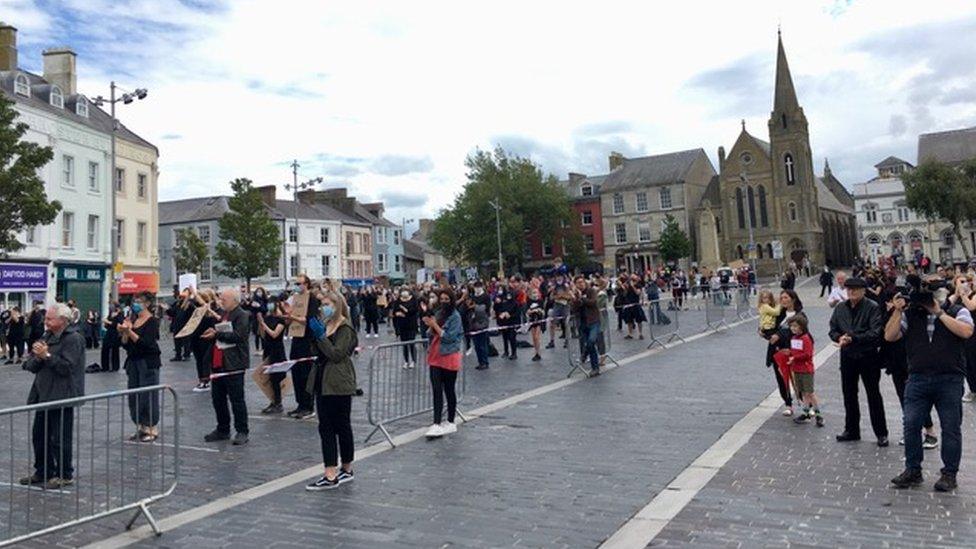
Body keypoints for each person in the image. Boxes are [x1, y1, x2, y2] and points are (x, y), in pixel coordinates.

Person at [887, 275, 973, 491]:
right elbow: (890, 336)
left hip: (949, 379)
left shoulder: (957, 311)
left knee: (951, 427)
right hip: (918, 378)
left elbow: (966, 331)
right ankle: (913, 470)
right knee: (911, 424)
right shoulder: (911, 314)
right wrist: (898, 310)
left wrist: (939, 313)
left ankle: (949, 474)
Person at [19, 303, 85, 489]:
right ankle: (43, 470)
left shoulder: (73, 339)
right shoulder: (47, 336)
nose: (45, 322)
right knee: (39, 435)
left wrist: (46, 356)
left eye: (49, 319)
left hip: (62, 394)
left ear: (63, 320)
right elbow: (31, 365)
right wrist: (37, 357)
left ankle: (64, 474)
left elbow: (67, 367)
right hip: (43, 393)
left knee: (60, 437)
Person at [304, 290, 359, 491]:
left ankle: (338, 470)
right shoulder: (326, 325)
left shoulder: (345, 328)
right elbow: (317, 351)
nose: (323, 308)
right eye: (322, 304)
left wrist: (321, 338)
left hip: (338, 382)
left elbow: (336, 354)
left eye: (327, 304)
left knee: (340, 425)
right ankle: (334, 469)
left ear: (337, 305)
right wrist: (315, 337)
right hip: (322, 380)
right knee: (326, 426)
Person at [829, 277, 888, 446]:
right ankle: (852, 430)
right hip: (847, 355)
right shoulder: (840, 308)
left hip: (867, 355)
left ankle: (881, 433)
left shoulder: (872, 307)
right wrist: (839, 337)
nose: (851, 292)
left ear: (863, 291)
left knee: (873, 394)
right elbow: (833, 328)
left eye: (855, 289)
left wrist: (853, 338)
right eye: (849, 289)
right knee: (849, 393)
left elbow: (875, 332)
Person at [202, 288, 251, 445]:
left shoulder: (241, 315)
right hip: (219, 362)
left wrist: (217, 334)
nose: (221, 301)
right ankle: (223, 429)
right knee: (218, 399)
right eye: (220, 299)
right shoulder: (223, 314)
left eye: (224, 299)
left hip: (234, 364)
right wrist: (213, 332)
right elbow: (221, 331)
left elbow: (238, 336)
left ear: (234, 301)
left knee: (237, 400)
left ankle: (242, 430)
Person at [119, 291, 162, 443]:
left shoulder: (152, 322)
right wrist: (124, 332)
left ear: (147, 304)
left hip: (148, 362)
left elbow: (147, 343)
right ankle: (141, 426)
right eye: (135, 301)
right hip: (133, 361)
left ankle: (151, 426)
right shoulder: (133, 319)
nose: (135, 304)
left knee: (148, 395)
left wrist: (129, 332)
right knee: (134, 395)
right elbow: (125, 344)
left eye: (139, 301)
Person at [423, 288, 464, 438]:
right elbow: (431, 332)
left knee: (449, 389)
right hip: (435, 355)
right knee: (436, 389)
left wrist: (434, 325)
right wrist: (429, 324)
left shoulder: (455, 317)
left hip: (448, 355)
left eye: (447, 299)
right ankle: (436, 423)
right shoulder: (439, 313)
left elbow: (449, 337)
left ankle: (451, 421)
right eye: (442, 299)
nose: (444, 302)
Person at [775, 314, 822, 427]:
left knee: (810, 393)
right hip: (797, 369)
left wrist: (794, 357)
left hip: (806, 369)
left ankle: (818, 415)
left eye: (795, 326)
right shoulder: (794, 338)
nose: (793, 328)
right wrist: (789, 353)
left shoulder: (805, 338)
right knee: (803, 393)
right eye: (792, 326)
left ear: (802, 326)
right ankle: (806, 413)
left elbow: (808, 354)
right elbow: (795, 351)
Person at [286, 274, 320, 419]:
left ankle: (308, 405)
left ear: (306, 284)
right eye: (296, 283)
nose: (297, 286)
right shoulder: (294, 298)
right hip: (296, 337)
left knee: (306, 374)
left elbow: (309, 320)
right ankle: (300, 404)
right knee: (296, 372)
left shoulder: (312, 299)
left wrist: (293, 317)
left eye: (299, 283)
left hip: (308, 340)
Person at [768, 290, 801, 415]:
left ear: (793, 299)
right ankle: (788, 404)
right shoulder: (778, 314)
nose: (783, 300)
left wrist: (779, 334)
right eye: (781, 298)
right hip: (778, 351)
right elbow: (771, 329)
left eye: (786, 297)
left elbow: (799, 332)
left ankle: (806, 404)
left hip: (793, 351)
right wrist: (764, 332)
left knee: (798, 379)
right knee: (782, 378)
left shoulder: (799, 314)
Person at [257, 300, 287, 414]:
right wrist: (261, 324)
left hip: (277, 350)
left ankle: (278, 402)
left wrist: (263, 324)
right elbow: (263, 334)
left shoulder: (280, 320)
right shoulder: (267, 318)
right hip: (268, 349)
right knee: (270, 378)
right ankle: (273, 401)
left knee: (276, 378)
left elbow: (275, 334)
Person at [189, 289, 220, 392]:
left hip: (208, 338)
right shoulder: (197, 309)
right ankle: (201, 379)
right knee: (199, 359)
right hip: (196, 337)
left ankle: (206, 380)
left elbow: (216, 320)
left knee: (205, 360)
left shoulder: (213, 310)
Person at [571, 275, 602, 376]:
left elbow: (593, 302)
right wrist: (576, 299)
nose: (581, 284)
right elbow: (574, 309)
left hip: (594, 321)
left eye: (582, 282)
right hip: (583, 322)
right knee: (589, 344)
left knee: (591, 341)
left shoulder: (591, 291)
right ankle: (595, 367)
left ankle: (587, 356)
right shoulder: (576, 294)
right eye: (578, 283)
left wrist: (582, 298)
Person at [393, 289, 419, 369]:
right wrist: (397, 313)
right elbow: (394, 311)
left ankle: (413, 361)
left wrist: (405, 310)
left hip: (411, 325)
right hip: (402, 325)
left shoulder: (413, 300)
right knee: (404, 344)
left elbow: (414, 311)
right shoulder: (398, 301)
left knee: (411, 343)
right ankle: (406, 361)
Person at [465, 289, 491, 370]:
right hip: (474, 331)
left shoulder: (479, 309)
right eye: (466, 300)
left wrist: (479, 327)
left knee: (482, 346)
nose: (467, 302)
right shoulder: (468, 309)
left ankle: (485, 362)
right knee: (477, 347)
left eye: (468, 300)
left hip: (480, 330)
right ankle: (480, 362)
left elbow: (485, 321)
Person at [494, 290, 519, 360]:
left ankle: (514, 353)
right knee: (504, 337)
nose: (509, 296)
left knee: (512, 338)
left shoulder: (516, 303)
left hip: (512, 323)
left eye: (510, 295)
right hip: (504, 323)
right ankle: (506, 351)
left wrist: (510, 315)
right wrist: (501, 314)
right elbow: (498, 309)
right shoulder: (504, 303)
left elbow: (517, 313)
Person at [100, 302, 124, 372]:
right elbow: (108, 325)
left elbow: (119, 324)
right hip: (109, 332)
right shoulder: (110, 314)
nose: (110, 308)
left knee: (115, 350)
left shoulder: (120, 314)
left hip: (115, 333)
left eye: (111, 306)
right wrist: (106, 323)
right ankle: (105, 366)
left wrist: (108, 322)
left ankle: (115, 367)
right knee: (105, 348)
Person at [526, 287, 546, 362]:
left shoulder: (540, 301)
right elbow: (527, 311)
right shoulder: (529, 301)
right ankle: (536, 352)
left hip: (539, 320)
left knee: (537, 337)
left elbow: (543, 311)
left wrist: (538, 310)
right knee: (534, 338)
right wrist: (531, 311)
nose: (535, 294)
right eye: (533, 292)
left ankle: (539, 353)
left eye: (536, 292)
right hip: (532, 320)